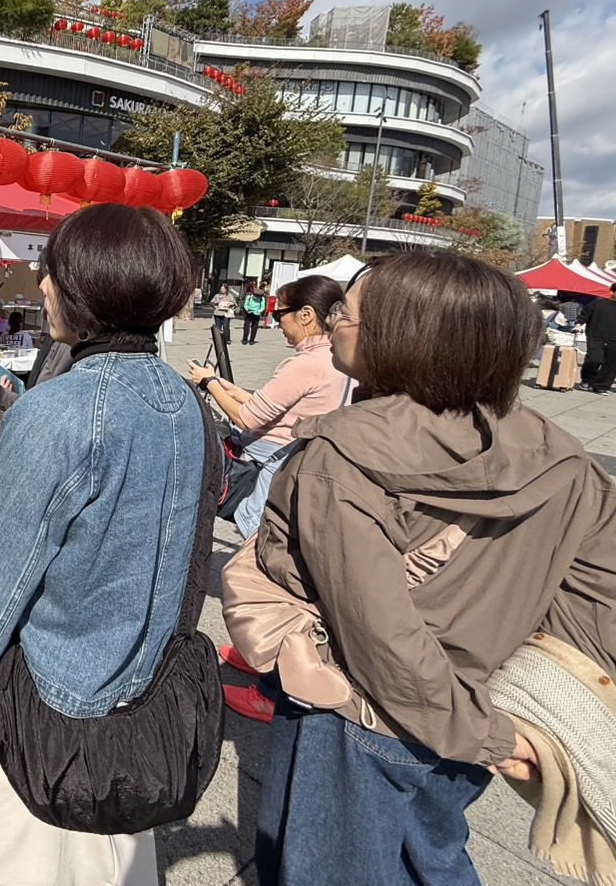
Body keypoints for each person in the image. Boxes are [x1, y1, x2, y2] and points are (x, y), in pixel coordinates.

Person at [250, 252, 616, 885]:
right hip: (479, 699)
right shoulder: (561, 456)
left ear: (402, 337)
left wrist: (485, 735)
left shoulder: (342, 453)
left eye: (346, 314)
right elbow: (599, 597)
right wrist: (513, 716)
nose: (333, 324)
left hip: (360, 716)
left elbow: (379, 634)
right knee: (433, 862)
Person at [0, 204, 205, 884]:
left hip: (53, 700)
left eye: (52, 273)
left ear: (87, 288)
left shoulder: (60, 410)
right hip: (145, 692)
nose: (42, 286)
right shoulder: (186, 401)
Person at [190, 275, 349, 540]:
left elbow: (246, 418)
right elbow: (277, 405)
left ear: (306, 315)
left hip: (273, 462)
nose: (278, 322)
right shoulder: (336, 358)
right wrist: (231, 390)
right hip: (302, 459)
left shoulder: (305, 364)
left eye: (279, 314)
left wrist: (209, 383)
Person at [577, 282, 616, 394]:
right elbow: (584, 315)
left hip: (614, 340)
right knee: (593, 360)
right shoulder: (597, 304)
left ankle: (601, 386)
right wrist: (578, 325)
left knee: (611, 364)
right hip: (595, 337)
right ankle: (586, 380)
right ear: (612, 292)